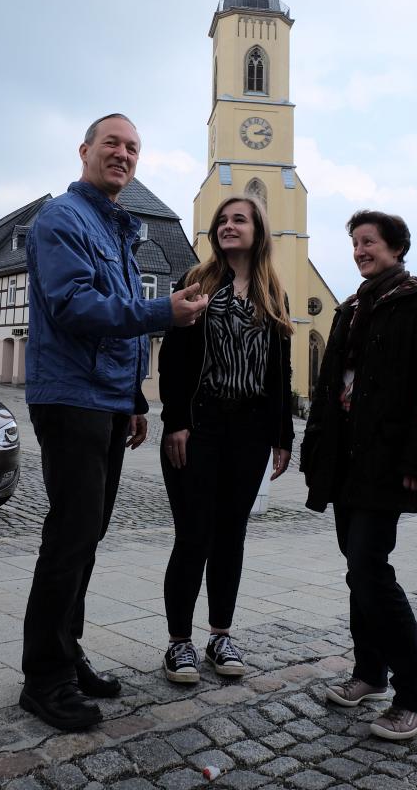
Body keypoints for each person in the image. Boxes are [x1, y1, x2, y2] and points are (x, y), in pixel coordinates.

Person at [21, 113, 208, 732]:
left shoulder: (121, 228)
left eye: (132, 147)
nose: (123, 155)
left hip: (105, 401)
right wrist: (162, 310)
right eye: (112, 144)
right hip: (69, 397)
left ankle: (67, 654)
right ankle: (43, 679)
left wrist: (134, 398)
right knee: (69, 537)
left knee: (88, 538)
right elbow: (77, 308)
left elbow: (120, 334)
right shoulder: (61, 221)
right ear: (85, 151)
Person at [300, 210, 417, 740]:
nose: (361, 250)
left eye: (370, 242)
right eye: (356, 243)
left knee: (369, 567)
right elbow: (327, 385)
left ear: (396, 247)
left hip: (387, 460)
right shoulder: (353, 306)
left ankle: (416, 693)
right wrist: (314, 446)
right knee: (357, 567)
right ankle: (370, 673)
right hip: (346, 460)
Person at [158, 195, 294, 682]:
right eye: (223, 220)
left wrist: (283, 435)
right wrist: (175, 420)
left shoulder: (273, 292)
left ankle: (220, 635)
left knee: (231, 537)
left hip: (251, 429)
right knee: (193, 534)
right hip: (201, 424)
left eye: (240, 219)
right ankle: (179, 643)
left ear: (259, 230)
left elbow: (281, 370)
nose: (228, 226)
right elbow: (173, 359)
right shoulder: (196, 283)